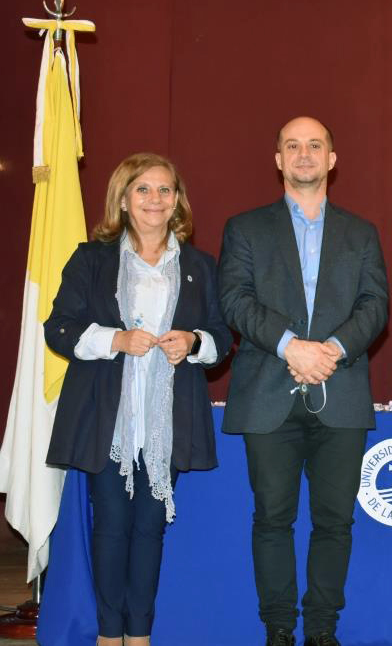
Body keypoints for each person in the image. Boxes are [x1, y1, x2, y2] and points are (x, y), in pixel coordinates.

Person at [44, 153, 232, 646]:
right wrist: (114, 340)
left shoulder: (199, 265)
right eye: (143, 190)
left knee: (150, 529)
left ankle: (140, 635)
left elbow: (221, 337)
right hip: (108, 419)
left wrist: (192, 342)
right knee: (110, 526)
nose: (155, 199)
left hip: (167, 421)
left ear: (177, 202)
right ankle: (109, 635)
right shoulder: (91, 260)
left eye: (165, 190)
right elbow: (58, 329)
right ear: (123, 200)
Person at [218, 116, 388, 646]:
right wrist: (293, 347)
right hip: (268, 390)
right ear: (278, 159)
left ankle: (321, 630)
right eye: (293, 146)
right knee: (272, 519)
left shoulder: (361, 233)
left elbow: (375, 306)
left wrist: (329, 352)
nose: (305, 154)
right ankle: (278, 630)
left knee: (335, 522)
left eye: (315, 145)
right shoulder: (245, 228)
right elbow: (235, 301)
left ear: (332, 159)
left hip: (340, 392)